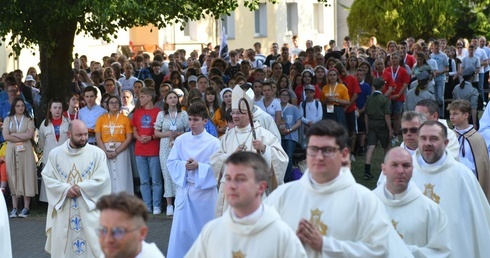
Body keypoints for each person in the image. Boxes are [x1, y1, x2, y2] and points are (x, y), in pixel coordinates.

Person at [265, 120, 412, 257]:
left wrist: (325, 245)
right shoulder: (283, 196)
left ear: (344, 155)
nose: (319, 157)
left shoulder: (363, 201)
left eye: (327, 150)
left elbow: (380, 250)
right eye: (313, 149)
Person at [185, 152, 307, 258]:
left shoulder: (281, 235)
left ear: (261, 187)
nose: (231, 185)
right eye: (228, 178)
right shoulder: (211, 231)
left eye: (240, 179)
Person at [411, 120, 490, 257]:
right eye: (423, 138)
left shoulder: (462, 175)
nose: (427, 143)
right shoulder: (407, 173)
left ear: (446, 143)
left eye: (434, 138)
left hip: (455, 249)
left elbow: (478, 221)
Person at [210, 86, 288, 216]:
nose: (235, 116)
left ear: (249, 115)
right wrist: (230, 156)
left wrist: (264, 149)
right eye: (233, 112)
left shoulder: (262, 134)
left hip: (253, 188)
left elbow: (282, 158)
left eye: (239, 112)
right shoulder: (228, 136)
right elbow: (215, 159)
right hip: (231, 189)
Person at [42, 119, 111, 257]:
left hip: (89, 211)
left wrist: (82, 188)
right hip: (64, 211)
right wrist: (65, 190)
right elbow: (48, 178)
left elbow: (103, 180)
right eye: (79, 135)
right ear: (69, 134)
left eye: (86, 134)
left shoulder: (97, 154)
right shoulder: (55, 154)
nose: (84, 138)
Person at [165, 102, 220, 258]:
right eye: (189, 119)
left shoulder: (214, 143)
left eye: (196, 119)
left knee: (205, 231)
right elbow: (171, 162)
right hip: (186, 191)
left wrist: (199, 167)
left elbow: (219, 168)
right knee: (182, 233)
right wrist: (184, 165)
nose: (192, 123)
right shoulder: (181, 140)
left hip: (205, 195)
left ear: (205, 121)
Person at [373, 147, 450, 257]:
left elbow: (442, 251)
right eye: (394, 165)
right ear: (383, 169)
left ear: (413, 169)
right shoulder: (366, 205)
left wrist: (407, 251)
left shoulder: (430, 209)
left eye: (406, 165)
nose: (400, 171)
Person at [97, 192, 165, 258]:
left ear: (142, 233)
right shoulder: (112, 253)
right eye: (103, 230)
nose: (108, 240)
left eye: (118, 231)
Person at [154, 90, 189, 216]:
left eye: (175, 97)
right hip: (165, 145)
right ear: (166, 100)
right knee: (167, 172)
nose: (173, 99)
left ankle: (179, 201)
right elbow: (156, 133)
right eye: (170, 97)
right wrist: (168, 134)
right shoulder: (161, 114)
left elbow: (189, 130)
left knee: (180, 171)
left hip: (180, 145)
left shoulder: (184, 113)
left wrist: (179, 134)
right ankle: (169, 204)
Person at [448, 99, 490, 200]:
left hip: (472, 183)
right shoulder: (449, 137)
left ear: (466, 115)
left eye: (455, 114)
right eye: (450, 114)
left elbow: (481, 167)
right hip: (453, 182)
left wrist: (461, 164)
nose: (451, 117)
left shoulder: (477, 139)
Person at [3, 97, 37, 218]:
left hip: (25, 150)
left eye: (22, 106)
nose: (20, 108)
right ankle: (14, 207)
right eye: (18, 106)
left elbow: (29, 135)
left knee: (26, 174)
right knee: (13, 175)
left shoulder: (29, 119)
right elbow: (6, 136)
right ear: (14, 107)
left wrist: (14, 135)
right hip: (12, 150)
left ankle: (26, 207)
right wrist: (21, 136)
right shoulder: (8, 119)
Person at [132, 87, 162, 214]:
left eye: (142, 96)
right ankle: (147, 205)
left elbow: (160, 130)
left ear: (149, 97)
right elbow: (134, 129)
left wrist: (151, 137)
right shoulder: (137, 112)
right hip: (140, 149)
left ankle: (157, 205)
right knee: (144, 180)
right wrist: (139, 137)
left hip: (154, 148)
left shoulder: (158, 112)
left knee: (156, 180)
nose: (140, 99)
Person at [95, 95, 134, 194]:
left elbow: (129, 137)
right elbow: (98, 137)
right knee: (108, 175)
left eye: (116, 102)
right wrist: (105, 152)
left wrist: (117, 151)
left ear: (120, 105)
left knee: (122, 174)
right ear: (107, 105)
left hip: (121, 148)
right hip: (105, 148)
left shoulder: (125, 119)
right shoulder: (101, 119)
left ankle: (123, 200)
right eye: (111, 102)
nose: (114, 104)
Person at [37, 99, 70, 202]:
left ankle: (63, 199)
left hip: (64, 156)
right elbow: (41, 141)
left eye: (59, 108)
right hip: (49, 157)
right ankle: (49, 202)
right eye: (55, 108)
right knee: (49, 180)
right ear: (50, 109)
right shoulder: (45, 123)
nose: (57, 110)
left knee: (63, 179)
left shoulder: (67, 122)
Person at [364, 78, 392, 179]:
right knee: (386, 147)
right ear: (382, 87)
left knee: (371, 147)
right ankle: (387, 169)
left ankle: (367, 171)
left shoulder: (369, 98)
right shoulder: (384, 99)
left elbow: (366, 115)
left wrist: (367, 127)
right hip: (381, 124)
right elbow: (387, 116)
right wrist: (390, 129)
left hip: (371, 123)